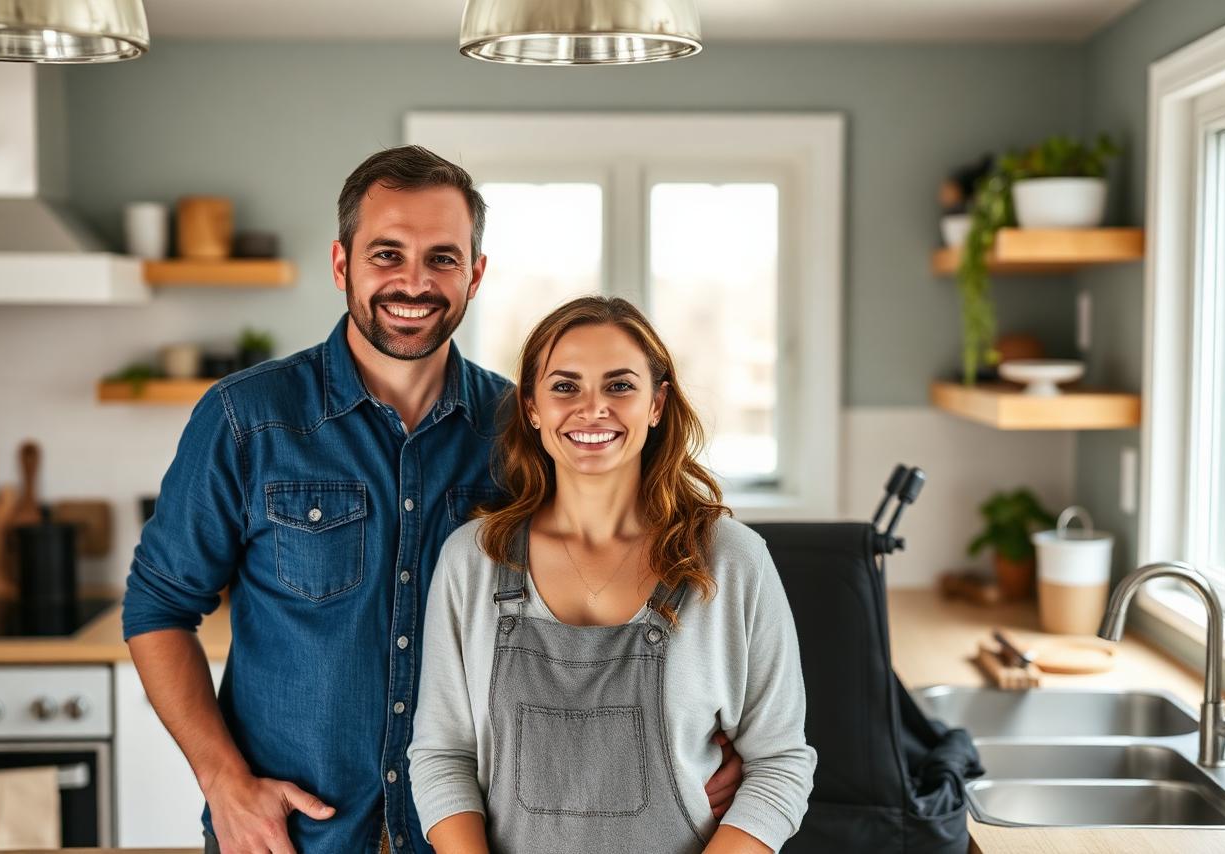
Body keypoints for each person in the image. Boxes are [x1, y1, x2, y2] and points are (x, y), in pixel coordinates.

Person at [121, 146, 743, 854]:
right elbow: (158, 608)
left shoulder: (522, 428)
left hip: (476, 836)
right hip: (291, 838)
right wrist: (224, 783)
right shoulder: (247, 418)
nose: (413, 282)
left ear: (475, 274)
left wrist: (692, 740)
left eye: (442, 258)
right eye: (387, 254)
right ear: (341, 264)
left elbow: (610, 590)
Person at [408, 296, 815, 854]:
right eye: (565, 386)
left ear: (657, 403)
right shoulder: (472, 560)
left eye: (620, 386)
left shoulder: (733, 561)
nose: (592, 408)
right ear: (531, 407)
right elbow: (442, 755)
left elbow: (780, 765)